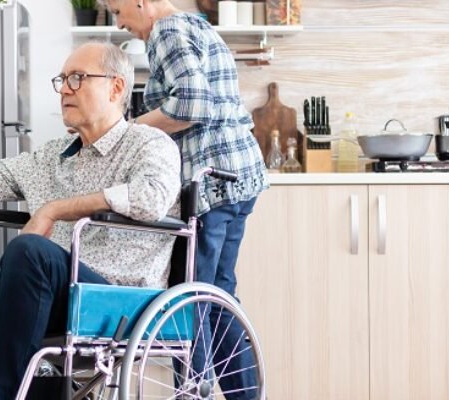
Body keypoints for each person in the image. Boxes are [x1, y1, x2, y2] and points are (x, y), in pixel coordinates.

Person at [0, 42, 181, 400]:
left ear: (116, 87)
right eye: (63, 79)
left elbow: (151, 197)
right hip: (35, 297)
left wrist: (54, 209)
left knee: (31, 250)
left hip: (113, 301)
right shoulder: (54, 155)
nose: (65, 89)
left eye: (78, 78)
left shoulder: (149, 144)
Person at [104, 0, 268, 398]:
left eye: (117, 10)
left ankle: (196, 391)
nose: (120, 23)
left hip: (212, 178)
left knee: (189, 295)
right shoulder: (195, 25)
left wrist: (126, 130)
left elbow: (192, 105)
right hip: (239, 173)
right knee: (218, 295)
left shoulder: (165, 31)